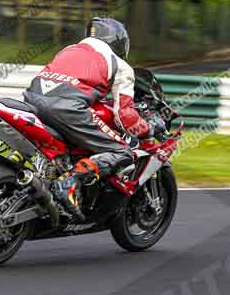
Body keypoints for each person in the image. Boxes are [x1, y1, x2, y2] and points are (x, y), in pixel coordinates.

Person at [23, 17, 166, 219]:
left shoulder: (69, 50)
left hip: (31, 101)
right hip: (67, 110)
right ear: (118, 41)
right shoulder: (120, 65)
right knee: (123, 152)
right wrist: (147, 129)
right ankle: (69, 182)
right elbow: (124, 116)